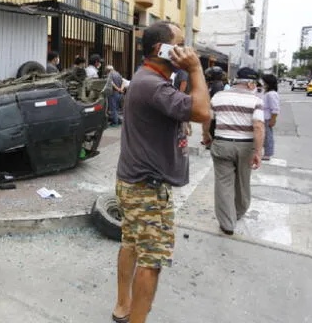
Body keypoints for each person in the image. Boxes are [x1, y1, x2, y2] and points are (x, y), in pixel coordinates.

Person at [112, 21, 211, 323]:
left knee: (131, 242)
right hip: (148, 189)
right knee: (152, 261)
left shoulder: (147, 79)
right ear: (161, 49)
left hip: (134, 181)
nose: (187, 49)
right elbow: (203, 112)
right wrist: (195, 70)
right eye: (180, 43)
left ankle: (122, 305)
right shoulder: (152, 85)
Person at [202, 67, 264, 236]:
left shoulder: (219, 96)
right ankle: (238, 211)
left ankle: (227, 223)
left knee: (223, 183)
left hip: (222, 143)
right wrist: (258, 152)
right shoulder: (255, 100)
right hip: (246, 146)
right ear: (250, 83)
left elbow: (207, 117)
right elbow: (258, 126)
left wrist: (206, 135)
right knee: (243, 181)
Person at [203, 66, 225, 148]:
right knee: (210, 127)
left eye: (211, 74)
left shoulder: (218, 85)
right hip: (211, 108)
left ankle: (211, 143)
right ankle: (209, 142)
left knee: (212, 127)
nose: (209, 76)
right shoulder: (214, 84)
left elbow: (215, 98)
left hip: (215, 110)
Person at [261, 74, 280, 161]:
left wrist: (273, 120)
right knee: (263, 136)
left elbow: (275, 109)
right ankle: (265, 152)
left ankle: (268, 154)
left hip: (267, 118)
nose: (262, 83)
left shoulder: (271, 94)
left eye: (263, 81)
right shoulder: (267, 93)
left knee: (268, 136)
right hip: (263, 118)